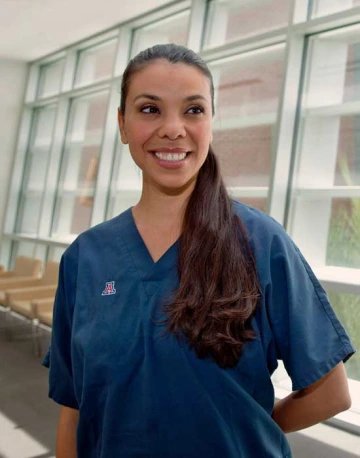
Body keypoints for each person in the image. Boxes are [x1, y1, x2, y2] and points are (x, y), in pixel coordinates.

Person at [43, 43, 355, 458]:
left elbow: (331, 393)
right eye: (150, 109)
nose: (173, 128)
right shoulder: (86, 258)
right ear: (121, 124)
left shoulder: (260, 244)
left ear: (211, 123)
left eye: (193, 110)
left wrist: (246, 428)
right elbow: (74, 408)